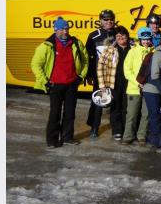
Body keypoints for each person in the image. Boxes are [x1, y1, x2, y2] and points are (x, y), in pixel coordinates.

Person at [31, 17, 88, 148]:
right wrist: (45, 81)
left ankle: (67, 137)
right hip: (55, 85)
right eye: (62, 29)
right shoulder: (46, 45)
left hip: (71, 84)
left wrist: (81, 76)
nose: (65, 31)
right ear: (55, 30)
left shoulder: (76, 43)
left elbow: (85, 61)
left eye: (67, 28)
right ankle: (52, 140)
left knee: (70, 112)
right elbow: (35, 64)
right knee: (55, 113)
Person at [96, 26, 132, 141]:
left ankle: (127, 130)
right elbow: (100, 67)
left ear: (127, 36)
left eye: (123, 35)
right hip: (114, 83)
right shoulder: (109, 50)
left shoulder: (133, 49)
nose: (121, 38)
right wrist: (102, 85)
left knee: (127, 107)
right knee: (115, 107)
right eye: (118, 36)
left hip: (129, 84)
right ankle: (117, 130)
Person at [85, 9, 117, 139]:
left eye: (111, 19)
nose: (109, 22)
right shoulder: (93, 36)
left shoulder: (119, 33)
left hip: (115, 74)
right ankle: (94, 127)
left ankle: (117, 128)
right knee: (99, 102)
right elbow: (88, 57)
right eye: (106, 19)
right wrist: (89, 74)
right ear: (100, 21)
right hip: (100, 75)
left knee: (116, 102)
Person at [121, 27, 154, 145]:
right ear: (139, 39)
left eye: (148, 39)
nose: (146, 42)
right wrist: (137, 82)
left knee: (146, 114)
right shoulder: (133, 51)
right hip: (134, 89)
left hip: (148, 88)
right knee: (132, 114)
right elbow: (127, 70)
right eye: (143, 39)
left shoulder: (153, 52)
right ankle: (128, 136)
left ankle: (141, 135)